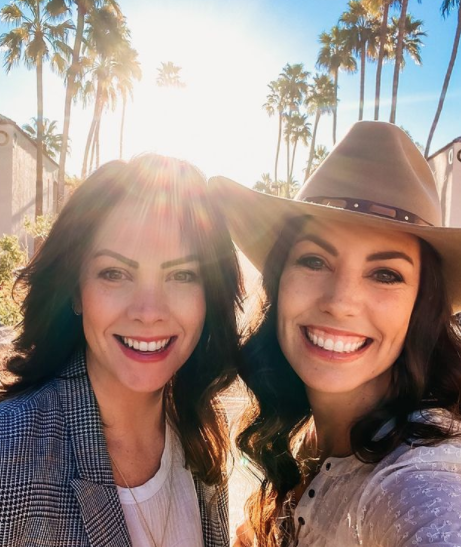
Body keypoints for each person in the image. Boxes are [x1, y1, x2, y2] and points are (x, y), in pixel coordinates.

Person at [210, 121, 461, 547]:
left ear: (422, 305)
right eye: (314, 261)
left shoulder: (418, 478)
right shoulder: (312, 437)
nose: (341, 301)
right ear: (278, 282)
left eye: (385, 274)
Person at [0, 154, 243, 547]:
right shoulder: (9, 456)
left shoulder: (200, 431)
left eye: (181, 275)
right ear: (76, 290)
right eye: (115, 273)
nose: (149, 312)